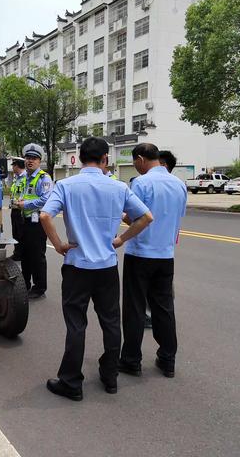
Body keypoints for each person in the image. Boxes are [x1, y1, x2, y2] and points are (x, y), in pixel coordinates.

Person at [40, 138, 153, 400]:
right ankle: (110, 376)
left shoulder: (66, 185)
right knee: (111, 322)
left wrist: (58, 245)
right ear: (104, 159)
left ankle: (71, 382)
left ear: (80, 158)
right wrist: (121, 240)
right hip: (107, 267)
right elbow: (146, 217)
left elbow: (45, 215)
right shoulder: (118, 187)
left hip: (77, 265)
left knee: (76, 324)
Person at [119, 143, 187, 379]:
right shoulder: (179, 184)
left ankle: (131, 360)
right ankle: (168, 360)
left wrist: (121, 219)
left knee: (135, 308)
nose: (135, 167)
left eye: (134, 163)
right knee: (164, 308)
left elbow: (136, 218)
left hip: (140, 254)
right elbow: (178, 217)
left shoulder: (142, 183)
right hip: (166, 255)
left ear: (140, 159)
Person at [143, 149, 178, 329]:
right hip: (167, 247)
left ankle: (151, 315)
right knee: (164, 288)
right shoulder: (178, 186)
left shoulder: (147, 183)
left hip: (149, 247)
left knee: (152, 285)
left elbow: (141, 218)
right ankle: (162, 314)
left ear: (163, 165)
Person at [14, 143, 53, 299]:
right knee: (24, 254)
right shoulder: (25, 178)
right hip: (25, 221)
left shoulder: (44, 178)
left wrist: (26, 204)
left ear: (39, 160)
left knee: (37, 256)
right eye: (28, 158)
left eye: (34, 158)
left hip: (37, 223)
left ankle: (39, 287)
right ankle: (26, 284)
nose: (30, 161)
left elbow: (46, 199)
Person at [9, 157, 26, 261]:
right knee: (15, 233)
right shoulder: (17, 178)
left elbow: (25, 194)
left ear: (16, 166)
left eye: (13, 165)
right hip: (14, 210)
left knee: (20, 233)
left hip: (20, 210)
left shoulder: (25, 178)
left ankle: (21, 254)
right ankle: (17, 253)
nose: (12, 168)